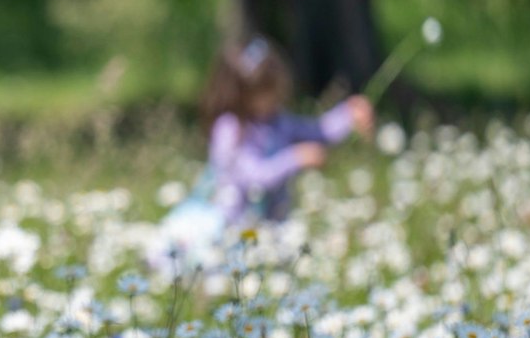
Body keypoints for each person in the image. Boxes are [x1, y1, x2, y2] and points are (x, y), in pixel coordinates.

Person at [153, 37, 374, 265]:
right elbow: (255, 177)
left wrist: (348, 114)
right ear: (241, 93)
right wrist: (295, 158)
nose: (276, 97)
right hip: (231, 227)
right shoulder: (230, 130)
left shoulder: (277, 121)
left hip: (270, 226)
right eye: (268, 91)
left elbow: (319, 130)